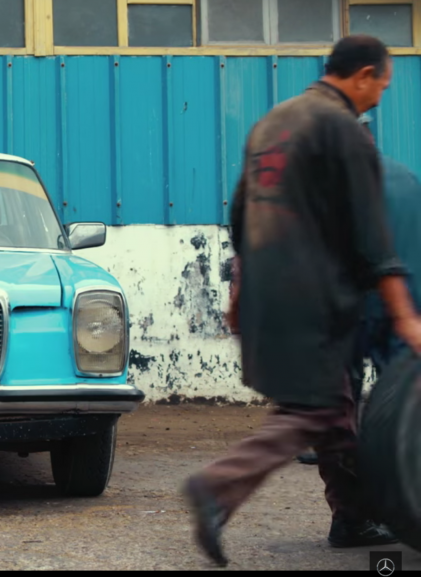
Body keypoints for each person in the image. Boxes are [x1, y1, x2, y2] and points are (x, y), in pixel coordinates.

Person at [183, 35, 421, 568]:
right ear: (363, 76)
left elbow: (242, 214)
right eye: (382, 85)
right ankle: (216, 486)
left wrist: (241, 291)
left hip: (271, 290)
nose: (380, 96)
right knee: (315, 411)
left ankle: (357, 514)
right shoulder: (345, 132)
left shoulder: (272, 123)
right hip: (315, 296)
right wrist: (407, 317)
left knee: (333, 416)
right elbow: (374, 240)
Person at [297, 116, 421, 465]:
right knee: (395, 382)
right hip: (406, 297)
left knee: (343, 380)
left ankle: (342, 451)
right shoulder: (408, 177)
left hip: (358, 298)